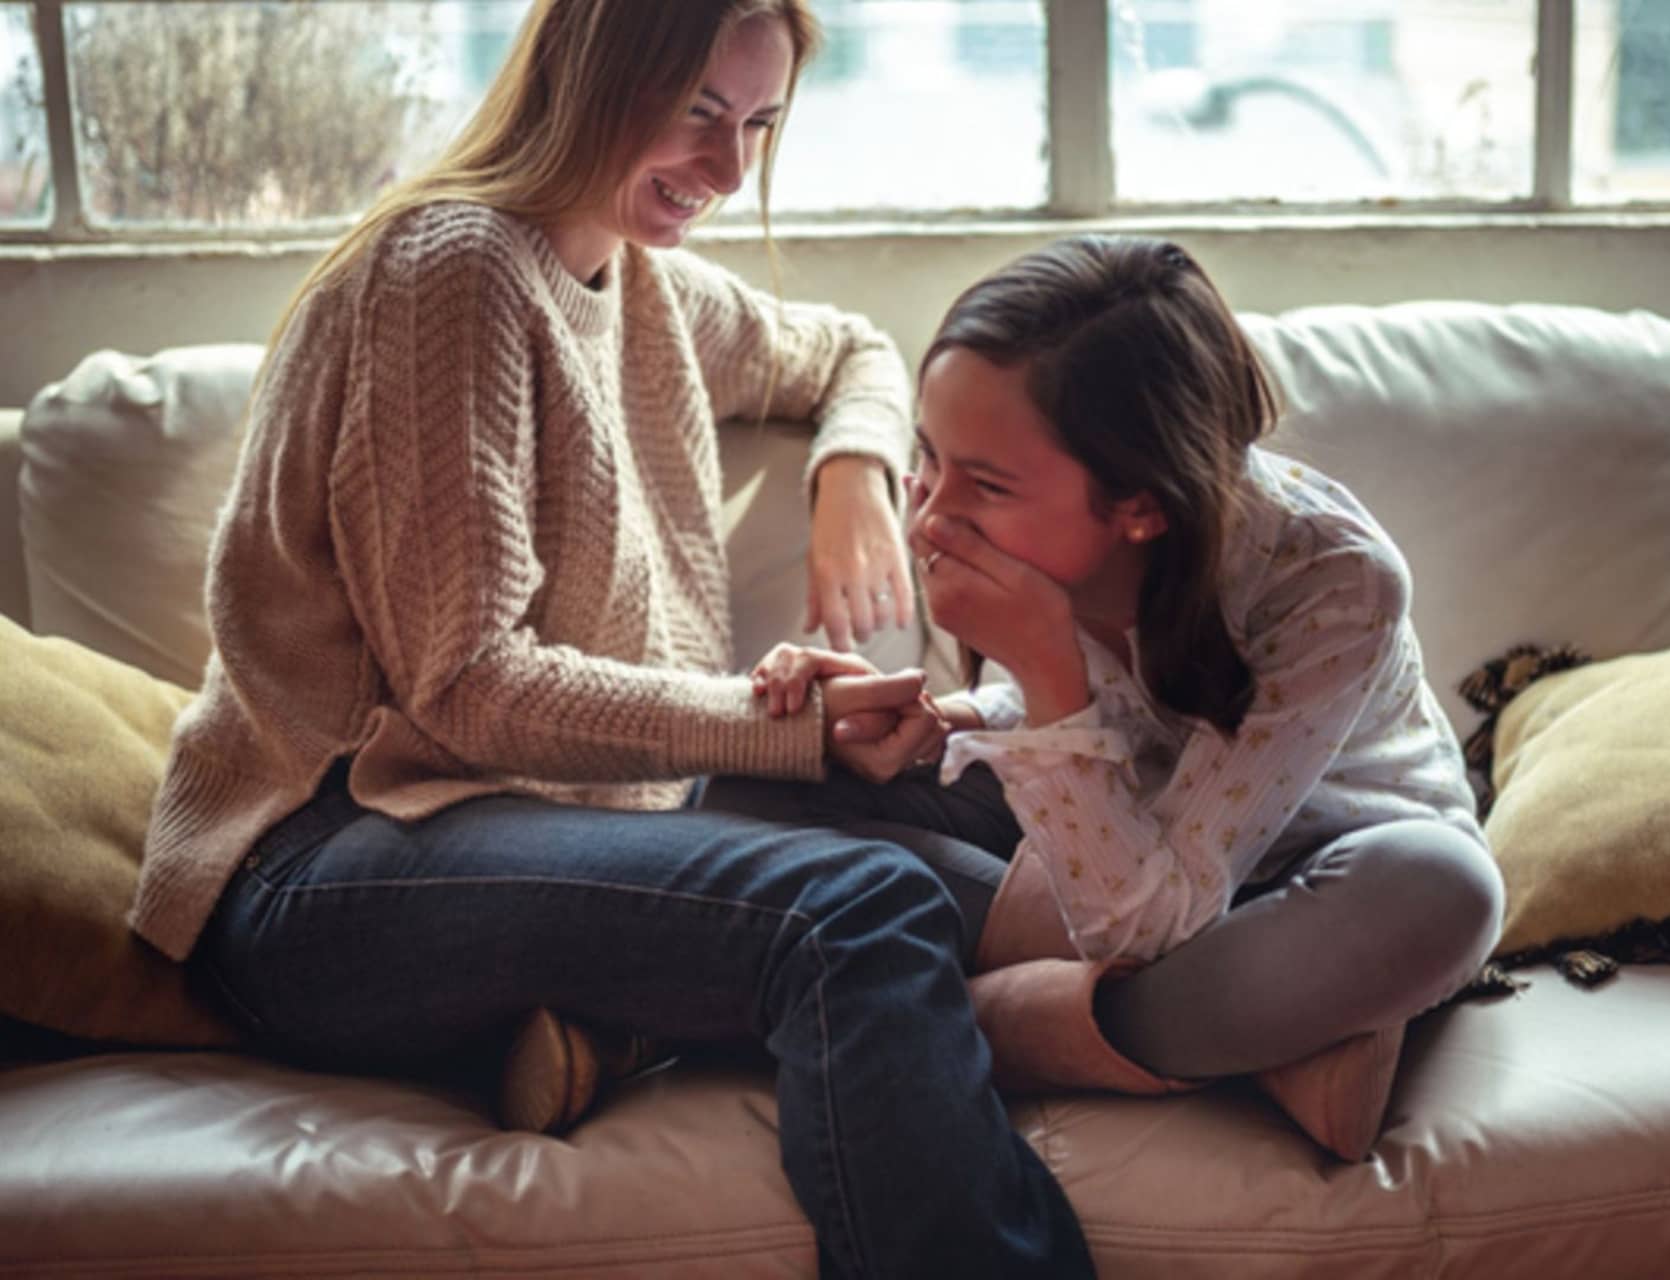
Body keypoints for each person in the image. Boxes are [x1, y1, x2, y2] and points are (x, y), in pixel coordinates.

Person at [128, 2, 1096, 1274]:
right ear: (589, 73)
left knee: (978, 816)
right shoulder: (454, 275)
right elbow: (466, 687)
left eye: (757, 122)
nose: (729, 167)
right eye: (698, 111)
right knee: (851, 911)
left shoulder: (639, 279)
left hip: (555, 812)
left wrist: (854, 467)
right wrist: (789, 726)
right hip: (330, 863)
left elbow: (849, 349)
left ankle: (1297, 959)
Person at [708, 234, 1505, 1159]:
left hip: (1303, 874)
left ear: (1141, 506)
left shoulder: (1330, 580)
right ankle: (1223, 1044)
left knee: (1446, 891)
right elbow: (1114, 729)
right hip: (1114, 843)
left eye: (988, 484)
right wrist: (939, 722)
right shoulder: (1050, 538)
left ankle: (943, 1019)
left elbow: (1158, 916)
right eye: (933, 458)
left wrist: (1046, 666)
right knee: (747, 796)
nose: (929, 517)